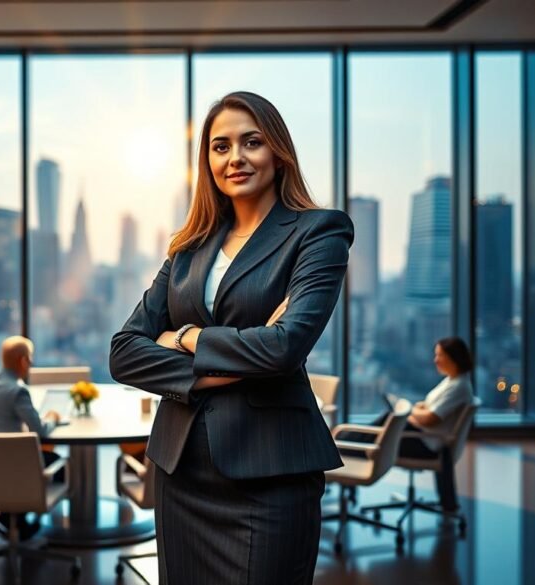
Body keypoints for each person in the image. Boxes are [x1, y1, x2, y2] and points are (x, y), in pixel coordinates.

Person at [110, 91, 352, 585]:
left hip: (270, 474)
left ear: (277, 152)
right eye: (220, 147)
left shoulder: (318, 233)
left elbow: (284, 347)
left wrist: (188, 337)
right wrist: (220, 371)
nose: (235, 158)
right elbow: (124, 353)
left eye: (252, 142)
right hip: (182, 474)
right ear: (207, 162)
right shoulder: (188, 250)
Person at [337, 337, 476, 513]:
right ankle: (346, 446)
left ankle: (344, 447)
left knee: (381, 428)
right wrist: (417, 411)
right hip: (421, 436)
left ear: (453, 357)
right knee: (382, 425)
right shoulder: (453, 381)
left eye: (440, 355)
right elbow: (424, 407)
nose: (436, 360)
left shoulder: (458, 387)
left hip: (424, 443)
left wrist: (410, 412)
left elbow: (429, 418)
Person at [0, 335, 63, 539]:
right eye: (29, 359)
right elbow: (40, 430)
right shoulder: (17, 391)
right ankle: (23, 513)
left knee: (14, 458)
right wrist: (54, 418)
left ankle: (10, 513)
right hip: (16, 467)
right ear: (23, 361)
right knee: (60, 465)